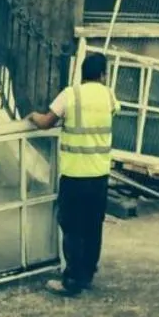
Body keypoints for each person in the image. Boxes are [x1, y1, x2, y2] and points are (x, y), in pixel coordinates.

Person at [26, 51, 120, 297]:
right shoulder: (109, 95)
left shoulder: (70, 94)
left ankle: (71, 281)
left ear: (82, 73)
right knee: (92, 226)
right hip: (99, 175)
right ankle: (87, 274)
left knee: (72, 227)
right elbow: (112, 111)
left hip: (75, 175)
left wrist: (33, 116)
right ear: (102, 74)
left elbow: (47, 122)